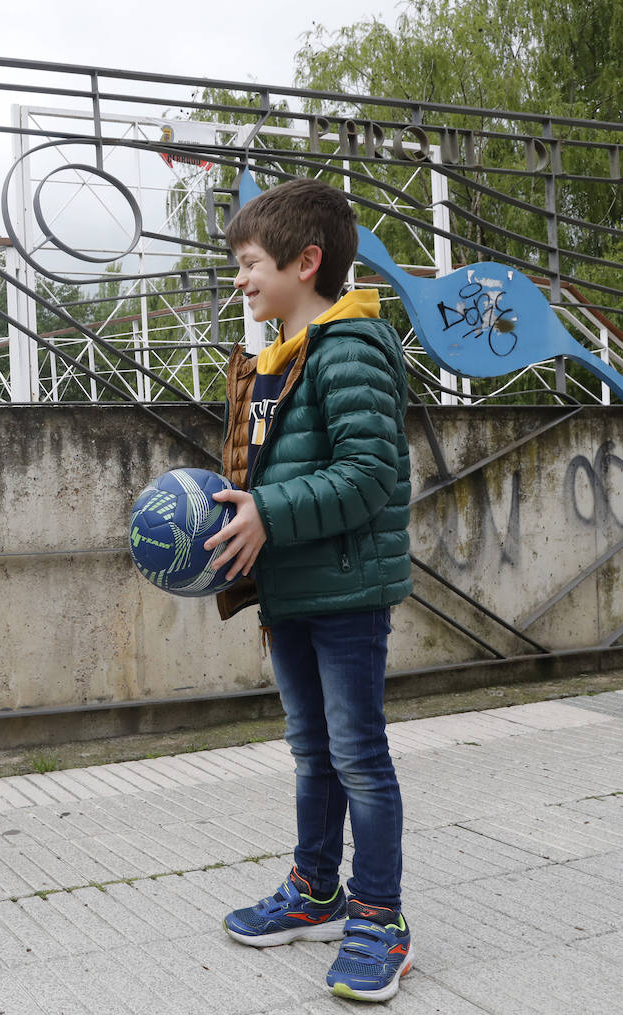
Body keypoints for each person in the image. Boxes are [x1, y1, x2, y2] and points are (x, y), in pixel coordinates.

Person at [203, 177, 413, 1003]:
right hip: (289, 589)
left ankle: (380, 917)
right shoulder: (274, 359)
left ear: (306, 262)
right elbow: (269, 473)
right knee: (312, 750)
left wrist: (271, 511)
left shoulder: (349, 347)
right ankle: (316, 890)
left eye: (251, 264)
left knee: (359, 757)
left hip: (346, 593)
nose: (242, 279)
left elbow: (368, 475)